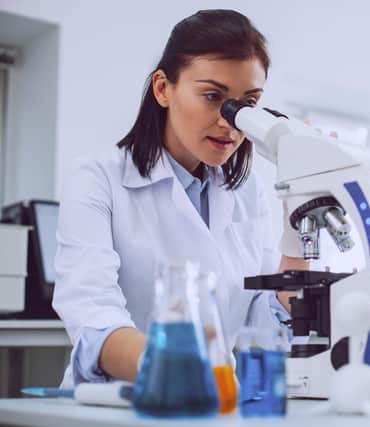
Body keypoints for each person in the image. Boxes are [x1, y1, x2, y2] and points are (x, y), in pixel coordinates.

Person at [53, 10, 303, 388]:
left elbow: (259, 318)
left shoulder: (245, 191)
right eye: (212, 96)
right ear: (163, 89)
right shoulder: (97, 179)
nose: (231, 122)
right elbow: (94, 319)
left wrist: (298, 216)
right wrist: (180, 369)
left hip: (213, 404)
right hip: (117, 406)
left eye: (247, 105)